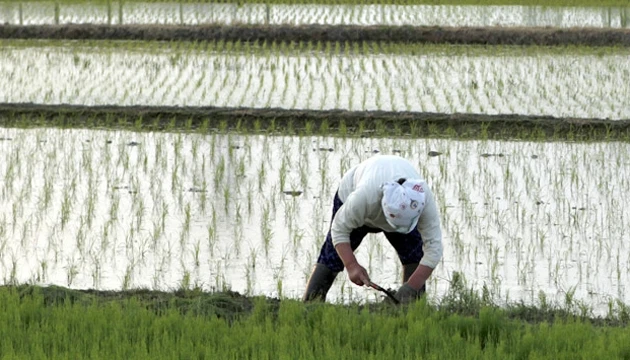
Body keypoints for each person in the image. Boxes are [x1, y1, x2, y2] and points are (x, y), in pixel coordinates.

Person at [302, 154, 443, 303]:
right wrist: (352, 265)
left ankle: (412, 307)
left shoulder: (421, 198)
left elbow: (434, 248)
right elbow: (338, 230)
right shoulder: (363, 197)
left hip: (398, 209)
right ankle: (311, 304)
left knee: (414, 253)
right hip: (353, 194)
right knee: (332, 255)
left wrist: (412, 286)